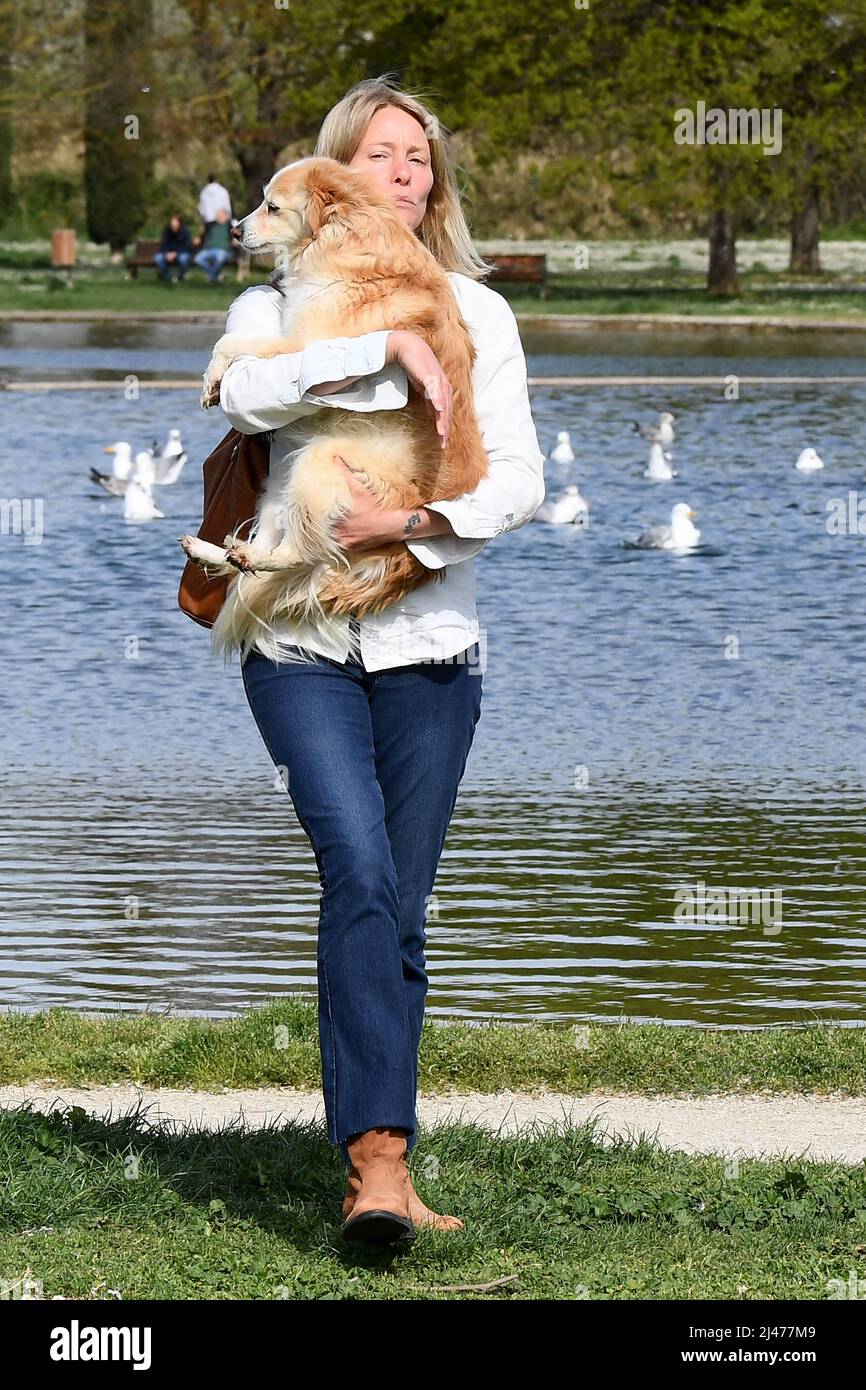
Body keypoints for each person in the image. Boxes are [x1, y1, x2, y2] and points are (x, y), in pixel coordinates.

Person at [215, 75, 545, 1243]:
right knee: (355, 868)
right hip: (296, 638)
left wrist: (401, 526)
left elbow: (515, 481)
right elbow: (246, 393)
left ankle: (385, 1160)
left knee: (400, 903)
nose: (398, 176)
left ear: (432, 181)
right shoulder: (273, 302)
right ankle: (373, 1168)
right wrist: (381, 342)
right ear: (331, 183)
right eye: (374, 158)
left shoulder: (480, 314)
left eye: (415, 159)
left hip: (428, 644)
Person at [193, 208, 233, 283]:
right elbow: (203, 235)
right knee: (198, 259)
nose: (219, 217)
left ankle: (211, 276)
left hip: (223, 250)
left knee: (220, 259)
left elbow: (234, 236)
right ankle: (215, 275)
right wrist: (198, 239)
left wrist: (235, 241)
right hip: (209, 249)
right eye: (218, 215)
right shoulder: (211, 225)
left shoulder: (229, 226)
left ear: (226, 216)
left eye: (221, 215)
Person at [154, 214, 192, 282]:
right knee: (158, 258)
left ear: (179, 223)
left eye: (175, 223)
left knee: (183, 259)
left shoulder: (185, 231)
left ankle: (181, 276)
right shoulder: (166, 230)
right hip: (168, 253)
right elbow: (164, 244)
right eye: (172, 223)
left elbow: (186, 246)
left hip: (181, 252)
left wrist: (176, 253)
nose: (173, 225)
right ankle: (168, 276)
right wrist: (166, 253)